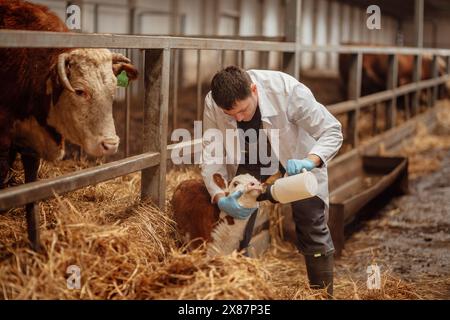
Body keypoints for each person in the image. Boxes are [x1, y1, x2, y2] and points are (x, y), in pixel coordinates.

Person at [200, 65, 343, 297]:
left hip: (295, 155)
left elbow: (332, 130)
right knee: (236, 221)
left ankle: (322, 294)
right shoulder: (213, 102)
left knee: (311, 220)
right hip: (251, 157)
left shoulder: (287, 91)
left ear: (254, 90)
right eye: (231, 114)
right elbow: (212, 153)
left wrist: (311, 160)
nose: (238, 117)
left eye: (243, 110)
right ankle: (239, 292)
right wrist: (219, 196)